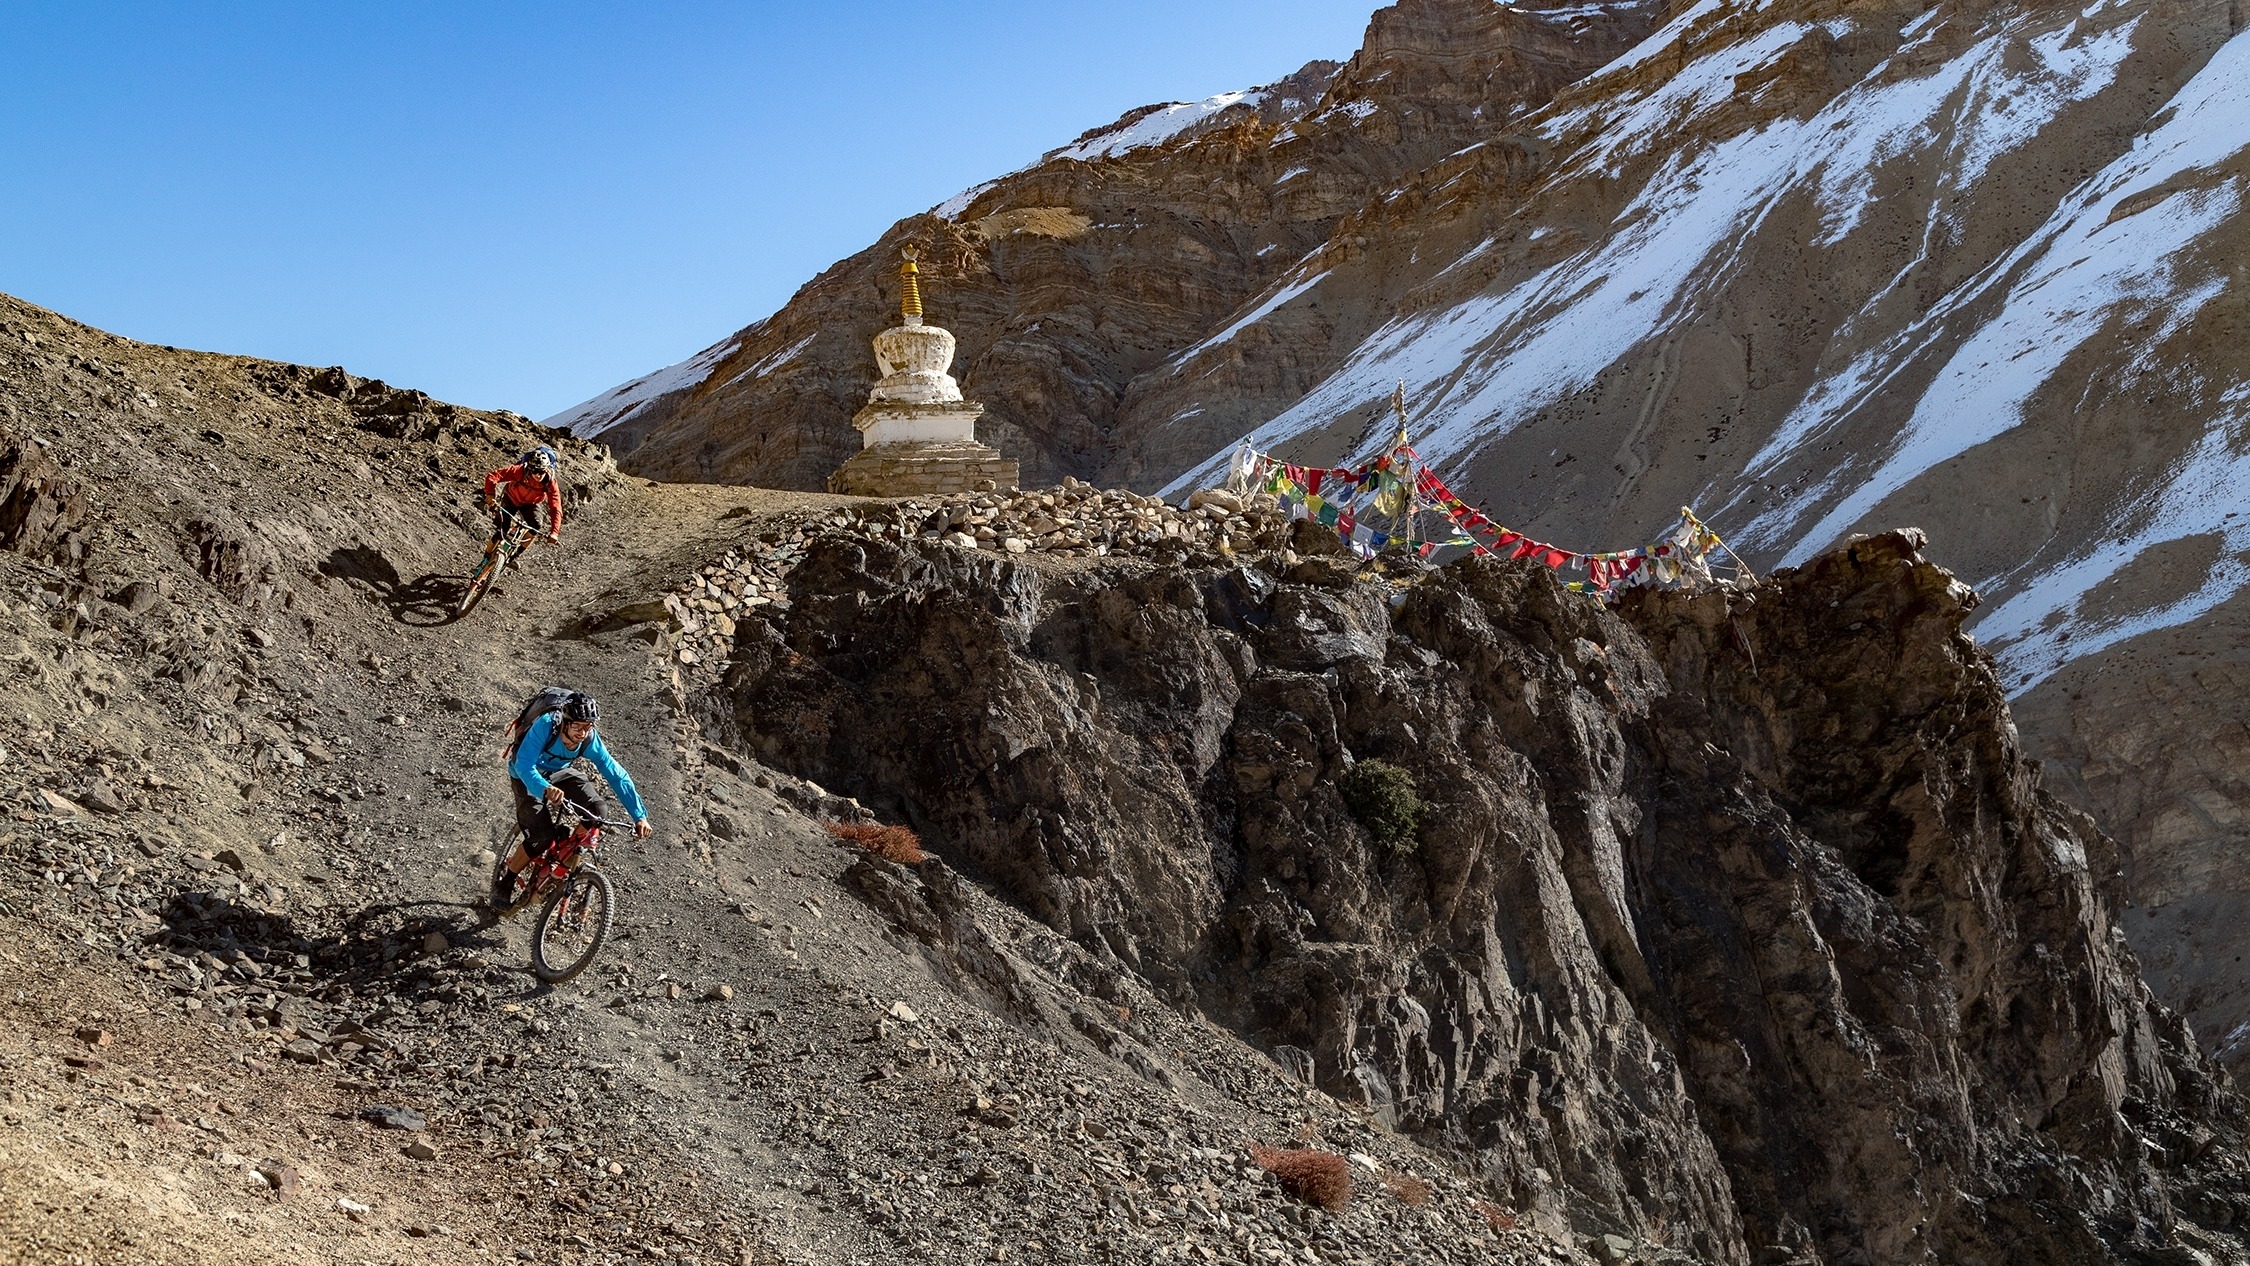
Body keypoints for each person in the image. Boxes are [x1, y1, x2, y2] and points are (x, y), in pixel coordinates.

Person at [492, 690, 651, 908]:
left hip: (559, 773)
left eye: (588, 727)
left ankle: (564, 857)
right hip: (526, 775)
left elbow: (616, 775)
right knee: (540, 837)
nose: (583, 733)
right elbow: (524, 764)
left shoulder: (589, 739)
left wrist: (639, 816)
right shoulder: (547, 725)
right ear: (565, 723)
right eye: (577, 727)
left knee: (597, 810)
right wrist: (544, 788)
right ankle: (506, 882)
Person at [482, 445, 565, 548]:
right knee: (502, 530)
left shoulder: (550, 482)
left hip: (531, 504)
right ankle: (486, 559)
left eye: (541, 471)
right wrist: (490, 494)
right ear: (530, 469)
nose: (538, 475)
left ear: (547, 469)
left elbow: (556, 507)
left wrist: (554, 532)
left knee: (536, 526)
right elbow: (494, 476)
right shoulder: (520, 471)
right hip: (511, 498)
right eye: (534, 471)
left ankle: (514, 555)